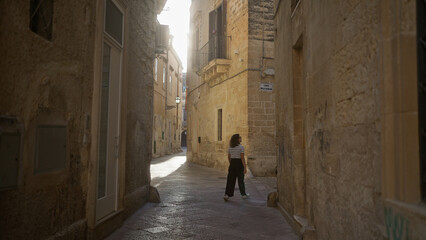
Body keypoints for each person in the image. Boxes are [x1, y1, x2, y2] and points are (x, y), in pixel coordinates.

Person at [224, 134, 249, 201]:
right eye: (240, 138)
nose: (241, 138)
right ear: (237, 139)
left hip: (232, 164)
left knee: (230, 180)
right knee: (241, 180)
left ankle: (227, 195)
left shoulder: (230, 147)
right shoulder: (241, 147)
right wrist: (245, 167)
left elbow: (229, 157)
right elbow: (242, 158)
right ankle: (243, 194)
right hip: (239, 163)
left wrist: (232, 164)